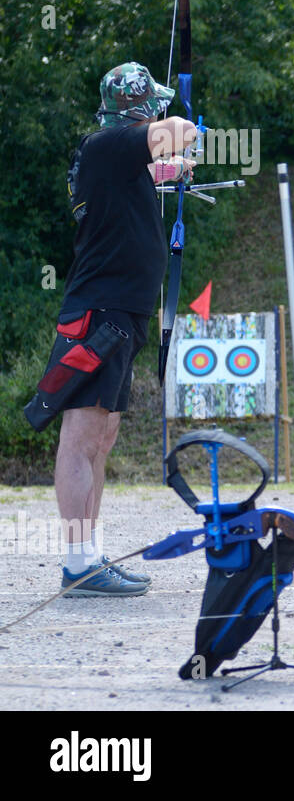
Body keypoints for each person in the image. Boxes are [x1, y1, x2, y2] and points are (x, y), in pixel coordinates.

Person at [27, 62, 198, 596]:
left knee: (101, 438)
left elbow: (134, 186)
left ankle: (91, 558)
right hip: (99, 313)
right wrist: (186, 133)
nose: (163, 113)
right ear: (140, 109)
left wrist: (172, 174)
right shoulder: (108, 143)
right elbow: (182, 134)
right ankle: (79, 565)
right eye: (156, 106)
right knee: (80, 437)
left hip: (119, 313)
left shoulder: (114, 156)